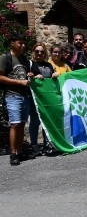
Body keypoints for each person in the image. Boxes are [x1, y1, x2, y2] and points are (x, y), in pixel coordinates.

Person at [1, 33, 34, 165]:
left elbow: (24, 75)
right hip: (12, 95)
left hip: (24, 95)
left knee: (21, 124)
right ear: (12, 43)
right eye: (20, 43)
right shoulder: (5, 58)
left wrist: (29, 75)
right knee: (15, 124)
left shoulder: (24, 59)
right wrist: (18, 82)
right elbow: (0, 77)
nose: (23, 46)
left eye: (24, 43)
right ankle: (13, 154)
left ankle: (20, 151)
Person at [28, 43, 58, 155]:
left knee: (47, 121)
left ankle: (47, 144)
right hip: (34, 98)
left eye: (42, 51)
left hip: (47, 98)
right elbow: (27, 76)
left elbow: (51, 78)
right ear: (33, 52)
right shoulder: (30, 63)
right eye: (37, 51)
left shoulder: (49, 65)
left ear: (45, 53)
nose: (39, 53)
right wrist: (34, 77)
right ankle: (34, 146)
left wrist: (54, 74)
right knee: (35, 122)